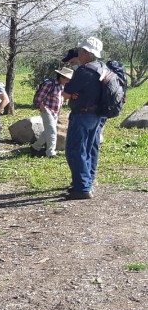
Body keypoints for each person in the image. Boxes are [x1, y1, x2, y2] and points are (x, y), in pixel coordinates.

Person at [61, 37, 107, 200]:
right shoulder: (102, 67)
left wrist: (71, 94)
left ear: (87, 53)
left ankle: (82, 188)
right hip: (97, 115)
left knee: (76, 150)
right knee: (89, 149)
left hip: (82, 114)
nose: (79, 52)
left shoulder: (84, 71)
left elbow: (65, 93)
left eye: (81, 50)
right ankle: (87, 182)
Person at [31, 67, 73, 157]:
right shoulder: (49, 84)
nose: (69, 81)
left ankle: (35, 147)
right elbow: (39, 97)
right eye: (67, 78)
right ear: (62, 77)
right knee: (52, 132)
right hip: (47, 110)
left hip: (55, 112)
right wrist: (42, 107)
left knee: (48, 131)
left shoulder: (62, 86)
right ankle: (50, 153)